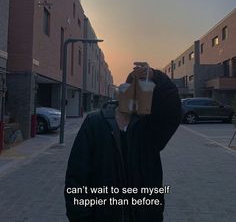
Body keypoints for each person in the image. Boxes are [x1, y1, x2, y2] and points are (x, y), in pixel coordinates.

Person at [64, 66, 182, 222]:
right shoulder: (95, 123)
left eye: (146, 88)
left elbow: (173, 106)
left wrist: (156, 76)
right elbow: (76, 178)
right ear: (121, 93)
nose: (140, 93)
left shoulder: (150, 128)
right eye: (136, 87)